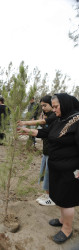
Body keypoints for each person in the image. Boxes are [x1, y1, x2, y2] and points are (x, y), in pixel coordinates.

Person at [18, 93, 79, 244]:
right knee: (58, 196)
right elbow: (46, 133)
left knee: (67, 200)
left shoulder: (77, 121)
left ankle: (67, 229)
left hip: (69, 169)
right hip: (56, 166)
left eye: (56, 106)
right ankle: (62, 219)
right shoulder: (60, 119)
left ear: (65, 105)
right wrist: (28, 131)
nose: (54, 109)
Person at [19, 95, 57, 206]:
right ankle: (47, 194)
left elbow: (42, 123)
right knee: (45, 172)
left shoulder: (54, 116)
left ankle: (51, 198)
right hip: (46, 149)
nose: (43, 108)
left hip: (52, 150)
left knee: (49, 174)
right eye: (42, 106)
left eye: (45, 105)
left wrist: (24, 122)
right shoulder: (48, 115)